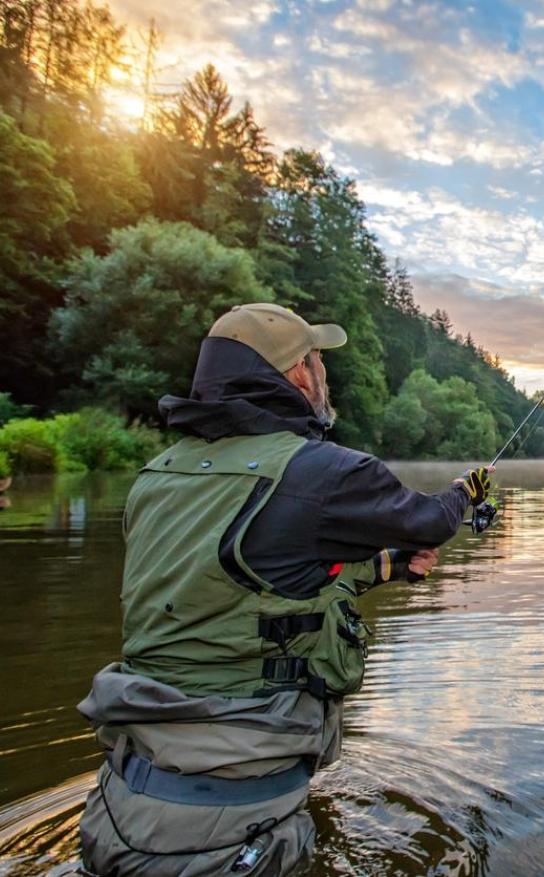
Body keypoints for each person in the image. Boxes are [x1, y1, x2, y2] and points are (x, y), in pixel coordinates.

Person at [77, 302, 493, 876]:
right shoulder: (324, 472)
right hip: (229, 838)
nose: (325, 372)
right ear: (298, 372)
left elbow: (248, 581)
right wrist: (462, 492)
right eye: (319, 359)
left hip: (116, 810)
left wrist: (391, 567)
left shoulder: (157, 477)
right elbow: (430, 521)